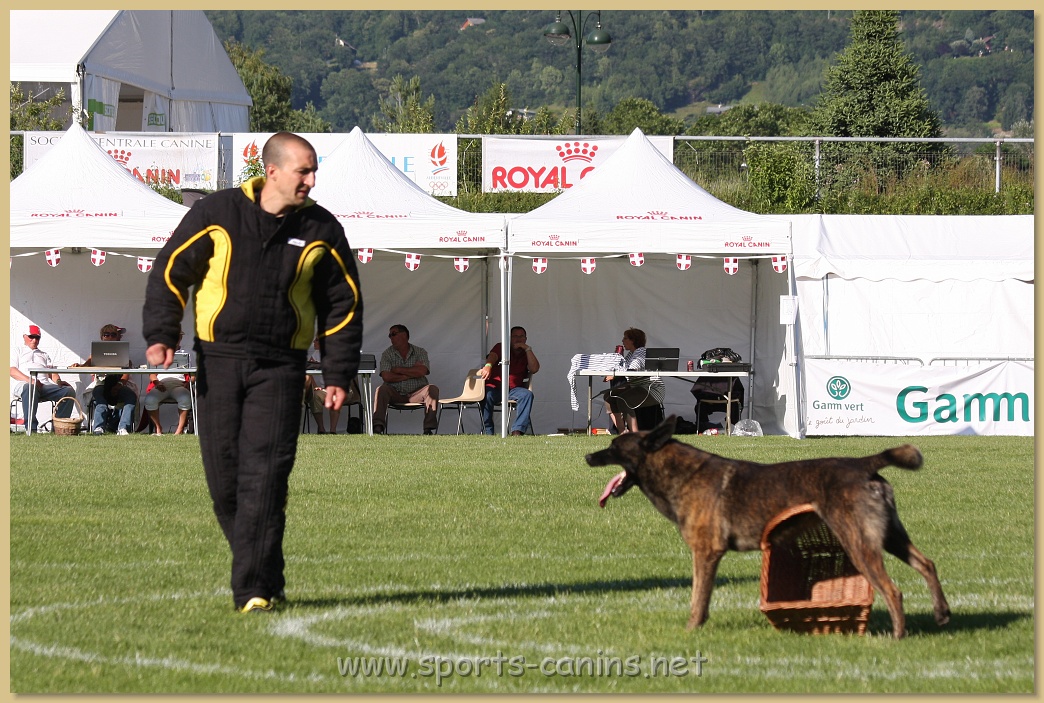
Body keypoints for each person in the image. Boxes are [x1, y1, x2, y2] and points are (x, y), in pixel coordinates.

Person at [142, 131, 363, 614]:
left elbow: (343, 305)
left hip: (281, 367)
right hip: (218, 362)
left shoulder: (323, 228)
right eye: (303, 171)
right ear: (273, 171)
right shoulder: (217, 213)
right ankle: (268, 570)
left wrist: (338, 373)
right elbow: (171, 271)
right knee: (225, 483)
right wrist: (161, 333)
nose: (311, 180)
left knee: (266, 475)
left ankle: (252, 590)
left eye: (314, 171)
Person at [71, 323, 139, 436]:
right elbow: (86, 365)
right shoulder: (96, 353)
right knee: (100, 399)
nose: (110, 337)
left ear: (118, 337)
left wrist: (119, 385)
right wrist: (78, 365)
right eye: (106, 334)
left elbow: (126, 373)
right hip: (101, 384)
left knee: (131, 397)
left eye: (113, 335)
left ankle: (123, 428)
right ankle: (98, 427)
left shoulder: (123, 353)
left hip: (119, 383)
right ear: (102, 337)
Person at [372, 324, 439, 435]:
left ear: (404, 335)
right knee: (381, 390)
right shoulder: (387, 354)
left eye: (393, 334)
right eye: (389, 335)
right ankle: (377, 427)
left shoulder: (420, 352)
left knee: (432, 389)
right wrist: (412, 372)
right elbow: (386, 376)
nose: (391, 337)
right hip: (395, 393)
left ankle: (428, 429)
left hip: (417, 393)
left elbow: (422, 371)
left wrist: (398, 369)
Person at [10, 324, 75, 433]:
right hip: (24, 384)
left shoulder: (44, 354)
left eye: (37, 337)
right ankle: (31, 428)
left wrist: (59, 381)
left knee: (68, 391)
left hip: (44, 386)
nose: (34, 340)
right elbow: (11, 370)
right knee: (29, 387)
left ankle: (59, 427)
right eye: (31, 337)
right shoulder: (17, 350)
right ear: (24, 336)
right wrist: (31, 380)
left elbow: (52, 373)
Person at [477, 326, 539, 436]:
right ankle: (488, 431)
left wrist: (528, 349)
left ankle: (517, 430)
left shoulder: (526, 353)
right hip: (495, 388)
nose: (518, 339)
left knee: (527, 395)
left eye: (521, 336)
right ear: (509, 338)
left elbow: (534, 369)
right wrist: (488, 365)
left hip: (514, 390)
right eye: (515, 336)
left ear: (525, 339)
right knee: (486, 394)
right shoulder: (502, 347)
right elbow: (493, 355)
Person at [602, 327, 666, 434]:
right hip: (639, 388)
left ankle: (635, 434)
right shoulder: (632, 353)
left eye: (625, 338)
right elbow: (621, 367)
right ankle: (622, 432)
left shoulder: (641, 352)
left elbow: (633, 368)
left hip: (652, 390)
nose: (622, 341)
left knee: (622, 400)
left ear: (633, 340)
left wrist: (614, 374)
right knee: (609, 397)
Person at [143, 330, 192, 435]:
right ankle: (158, 428)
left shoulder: (185, 354)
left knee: (185, 398)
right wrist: (157, 383)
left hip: (179, 384)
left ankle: (179, 430)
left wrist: (188, 383)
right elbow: (151, 374)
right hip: (161, 384)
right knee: (150, 400)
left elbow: (192, 374)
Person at [304, 336, 341, 433]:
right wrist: (315, 386)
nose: (313, 342)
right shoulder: (316, 354)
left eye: (316, 339)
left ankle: (333, 430)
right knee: (315, 395)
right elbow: (308, 370)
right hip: (323, 389)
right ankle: (321, 429)